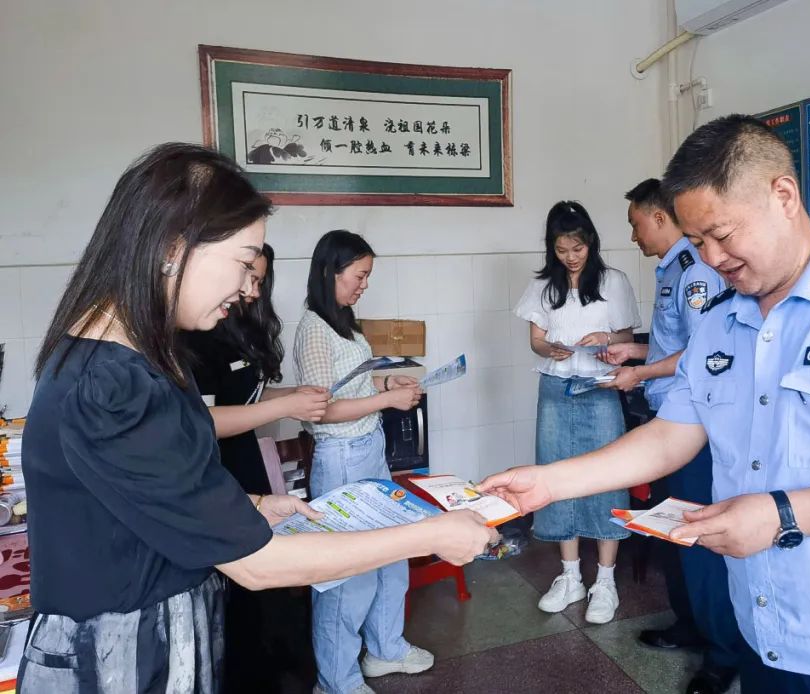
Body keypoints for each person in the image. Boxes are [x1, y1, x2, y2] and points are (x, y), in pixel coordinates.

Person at [482, 115, 810, 694]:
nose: (713, 257)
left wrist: (781, 516)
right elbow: (670, 435)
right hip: (768, 633)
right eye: (698, 242)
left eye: (722, 235)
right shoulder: (725, 322)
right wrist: (549, 483)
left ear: (783, 196)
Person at [19, 143, 495, 694]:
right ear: (175, 246)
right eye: (245, 263)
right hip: (119, 659)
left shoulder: (138, 357)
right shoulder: (111, 383)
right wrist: (425, 534)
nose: (250, 287)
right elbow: (258, 565)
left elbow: (147, 489)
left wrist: (254, 505)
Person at [600, 178, 740, 694]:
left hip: (693, 425)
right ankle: (690, 625)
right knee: (671, 530)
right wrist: (633, 355)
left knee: (699, 537)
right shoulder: (671, 271)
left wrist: (642, 373)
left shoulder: (695, 272)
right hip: (667, 417)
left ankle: (723, 653)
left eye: (636, 224)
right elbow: (671, 343)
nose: (633, 234)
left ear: (659, 218)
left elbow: (705, 353)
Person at [183, 242, 330, 693]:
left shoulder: (241, 325)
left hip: (249, 464)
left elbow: (244, 399)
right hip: (217, 469)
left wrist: (289, 397)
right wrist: (279, 408)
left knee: (260, 588)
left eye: (260, 279)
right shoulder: (196, 334)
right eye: (246, 274)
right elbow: (203, 420)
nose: (251, 288)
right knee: (236, 586)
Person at [293, 229, 429, 694]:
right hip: (341, 458)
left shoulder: (343, 321)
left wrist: (387, 388)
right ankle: (336, 681)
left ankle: (386, 649)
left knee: (390, 555)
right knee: (346, 576)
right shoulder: (313, 327)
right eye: (359, 275)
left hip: (368, 449)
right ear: (331, 271)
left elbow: (348, 387)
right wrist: (384, 404)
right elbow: (321, 409)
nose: (364, 284)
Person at [513, 200, 641, 625]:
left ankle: (605, 580)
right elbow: (536, 339)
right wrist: (549, 348)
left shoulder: (613, 281)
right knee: (554, 475)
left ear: (591, 243)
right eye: (562, 249)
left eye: (578, 247)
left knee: (607, 477)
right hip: (555, 388)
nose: (571, 256)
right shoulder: (543, 286)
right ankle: (570, 576)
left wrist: (607, 336)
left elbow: (626, 335)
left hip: (600, 386)